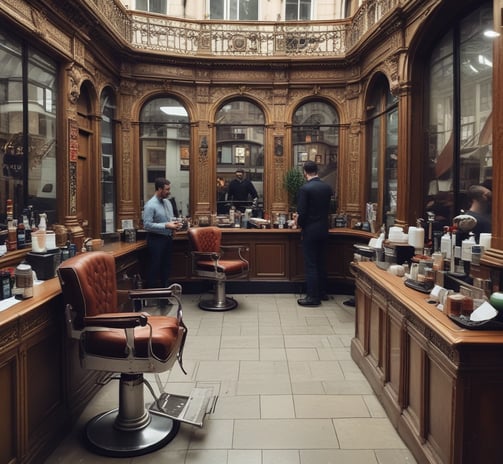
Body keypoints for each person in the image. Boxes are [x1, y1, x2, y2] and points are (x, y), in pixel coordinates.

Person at [295, 160, 333, 307]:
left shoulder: (305, 189)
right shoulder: (326, 187)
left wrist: (300, 225)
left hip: (310, 230)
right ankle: (322, 293)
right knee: (321, 262)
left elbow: (302, 213)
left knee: (311, 264)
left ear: (305, 172)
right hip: (323, 229)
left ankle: (312, 298)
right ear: (317, 171)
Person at [142, 178, 181, 295]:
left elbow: (170, 219)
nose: (169, 192)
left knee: (166, 267)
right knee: (155, 267)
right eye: (167, 189)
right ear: (159, 189)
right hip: (156, 240)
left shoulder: (168, 202)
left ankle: (166, 294)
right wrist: (166, 225)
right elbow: (147, 225)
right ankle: (152, 296)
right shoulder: (150, 205)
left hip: (168, 239)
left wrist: (175, 224)